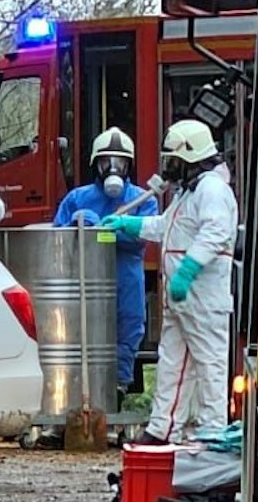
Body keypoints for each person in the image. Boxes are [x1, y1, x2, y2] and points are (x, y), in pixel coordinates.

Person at [101, 118, 236, 445]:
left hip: (202, 294)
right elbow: (167, 227)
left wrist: (188, 270)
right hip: (182, 297)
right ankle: (162, 429)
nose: (169, 168)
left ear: (190, 157)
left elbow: (216, 232)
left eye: (173, 161)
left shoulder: (213, 190)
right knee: (173, 363)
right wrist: (129, 224)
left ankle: (212, 431)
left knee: (209, 366)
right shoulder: (190, 192)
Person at [55, 128, 159, 399]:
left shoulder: (143, 199)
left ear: (129, 165)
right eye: (106, 161)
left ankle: (119, 388)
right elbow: (57, 238)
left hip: (125, 275)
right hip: (83, 277)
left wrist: (115, 230)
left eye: (120, 162)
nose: (113, 168)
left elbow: (143, 236)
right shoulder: (77, 199)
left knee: (128, 326)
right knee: (80, 331)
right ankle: (75, 392)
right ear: (95, 164)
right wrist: (75, 224)